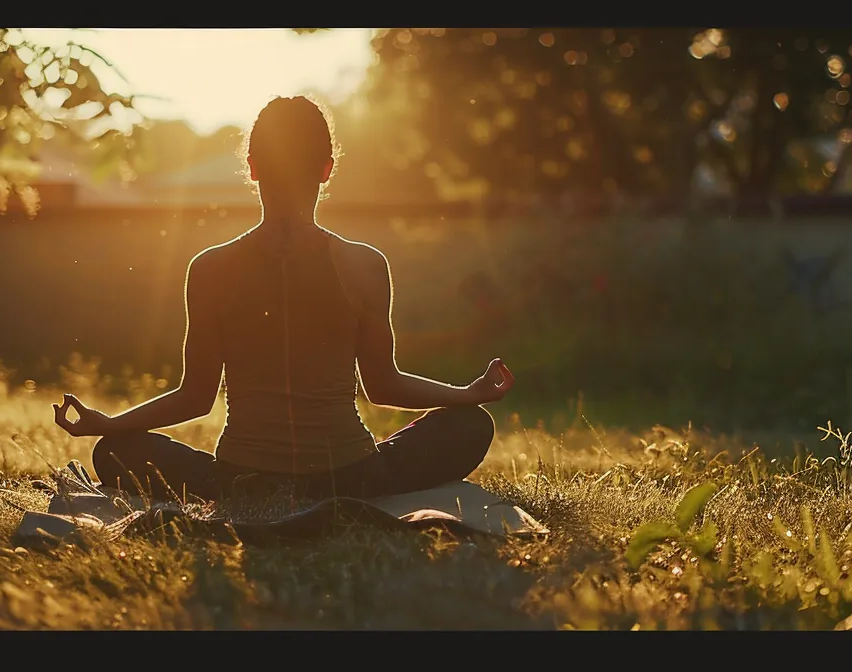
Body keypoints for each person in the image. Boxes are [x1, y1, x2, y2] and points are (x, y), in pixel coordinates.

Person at [52, 95, 513, 503]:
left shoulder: (210, 268)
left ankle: (260, 488)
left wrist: (111, 425)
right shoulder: (365, 265)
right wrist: (465, 394)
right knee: (469, 424)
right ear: (327, 168)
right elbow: (384, 386)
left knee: (114, 453)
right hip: (351, 478)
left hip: (240, 481)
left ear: (251, 169)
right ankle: (363, 485)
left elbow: (194, 398)